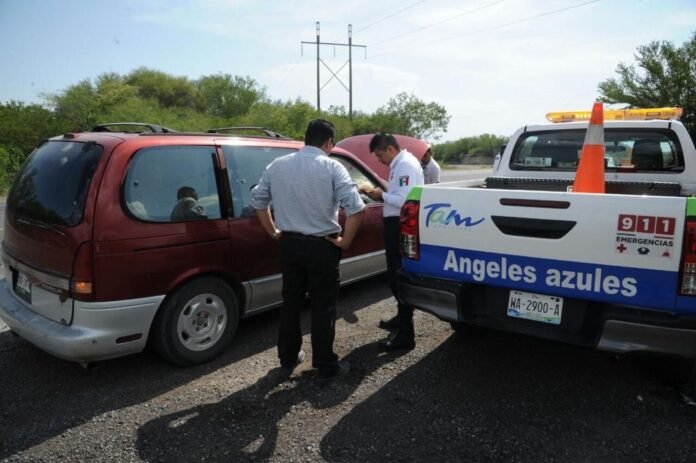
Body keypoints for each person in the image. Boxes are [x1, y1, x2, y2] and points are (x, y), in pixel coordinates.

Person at [250, 119, 365, 381]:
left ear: (307, 139)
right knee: (323, 306)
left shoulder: (277, 165)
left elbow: (258, 202)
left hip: (289, 245)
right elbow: (357, 208)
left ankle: (288, 357)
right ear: (329, 142)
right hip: (322, 247)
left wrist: (274, 232)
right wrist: (345, 242)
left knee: (291, 303)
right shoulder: (333, 167)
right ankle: (325, 364)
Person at [363, 133, 424, 351]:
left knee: (398, 277)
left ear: (390, 149)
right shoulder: (399, 164)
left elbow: (405, 199)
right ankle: (402, 318)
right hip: (396, 225)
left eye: (380, 155)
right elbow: (399, 192)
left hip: (400, 225)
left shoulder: (405, 165)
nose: (379, 160)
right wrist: (384, 192)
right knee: (394, 276)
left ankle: (406, 335)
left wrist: (380, 196)